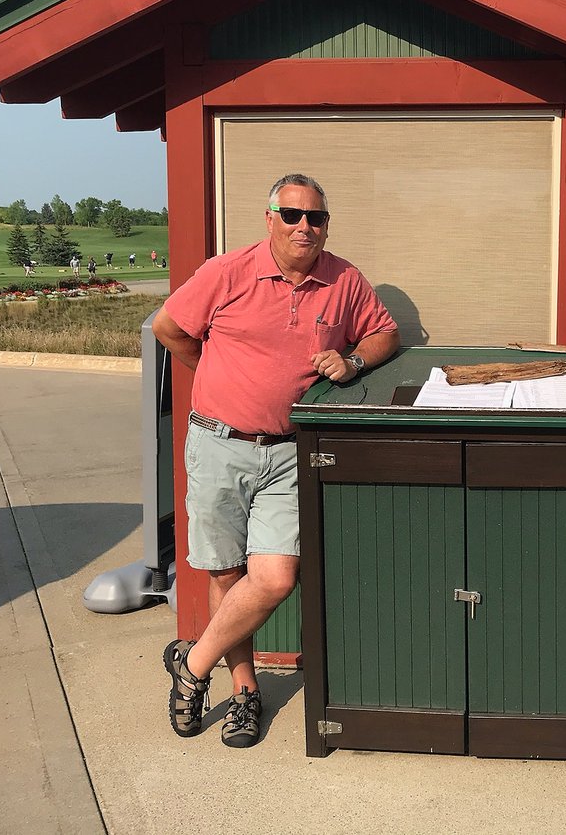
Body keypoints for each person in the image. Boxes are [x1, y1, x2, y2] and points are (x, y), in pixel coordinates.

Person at [153, 173, 400, 749]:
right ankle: (244, 694)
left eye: (314, 217)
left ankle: (192, 666)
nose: (303, 226)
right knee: (225, 575)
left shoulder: (344, 279)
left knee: (273, 577)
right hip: (218, 444)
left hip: (290, 453)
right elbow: (171, 328)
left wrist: (353, 361)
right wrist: (216, 375)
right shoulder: (226, 272)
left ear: (326, 226)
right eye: (291, 214)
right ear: (269, 218)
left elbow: (384, 333)